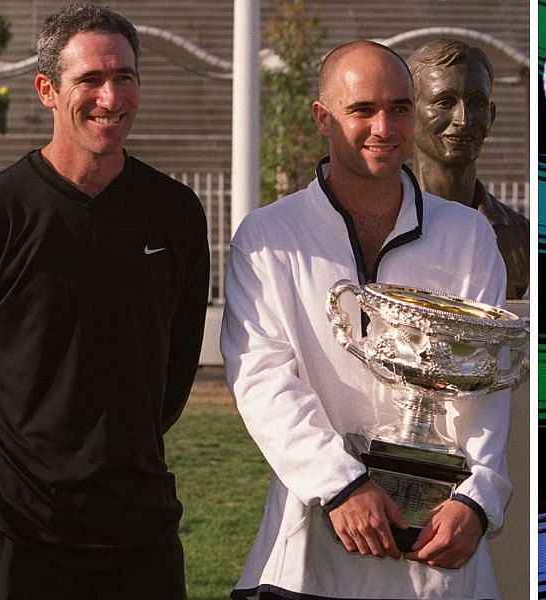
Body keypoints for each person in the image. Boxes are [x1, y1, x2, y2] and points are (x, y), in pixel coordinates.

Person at [0, 3, 209, 599]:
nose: (111, 97)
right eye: (90, 79)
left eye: (125, 78)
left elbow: (173, 370)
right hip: (7, 535)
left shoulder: (175, 214)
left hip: (136, 531)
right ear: (47, 90)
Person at [222, 40, 511, 599]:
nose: (386, 127)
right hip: (311, 554)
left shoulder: (468, 235)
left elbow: (486, 386)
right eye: (363, 111)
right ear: (322, 119)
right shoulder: (269, 237)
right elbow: (262, 380)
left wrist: (478, 498)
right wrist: (341, 485)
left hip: (440, 555)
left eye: (400, 108)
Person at [408, 39, 530, 299]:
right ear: (409, 112)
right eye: (444, 102)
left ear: (492, 116)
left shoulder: (522, 238)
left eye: (476, 104)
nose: (463, 120)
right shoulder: (378, 225)